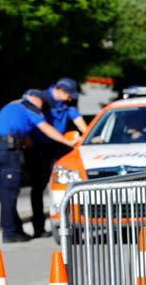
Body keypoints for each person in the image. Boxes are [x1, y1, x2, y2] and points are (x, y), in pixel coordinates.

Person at [0, 89, 77, 243]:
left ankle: (13, 229)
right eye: (42, 104)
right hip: (8, 150)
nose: (42, 108)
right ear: (36, 100)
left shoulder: (13, 106)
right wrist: (67, 141)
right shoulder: (29, 106)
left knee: (4, 191)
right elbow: (46, 128)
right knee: (10, 192)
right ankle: (10, 233)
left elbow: (27, 140)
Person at [24, 77, 88, 238]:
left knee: (63, 183)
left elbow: (79, 122)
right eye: (69, 94)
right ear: (60, 90)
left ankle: (68, 222)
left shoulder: (67, 104)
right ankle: (38, 226)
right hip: (37, 148)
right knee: (38, 187)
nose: (71, 98)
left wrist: (88, 137)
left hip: (57, 147)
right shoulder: (41, 97)